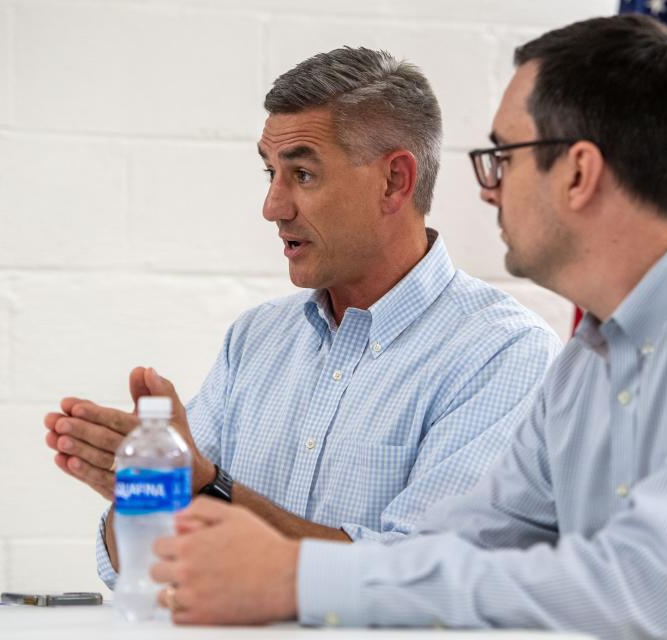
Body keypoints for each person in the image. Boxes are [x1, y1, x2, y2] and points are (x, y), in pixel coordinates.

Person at [148, 14, 667, 638]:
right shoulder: (587, 362)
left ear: (578, 172)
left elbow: (647, 587)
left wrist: (299, 576)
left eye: (503, 157)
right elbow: (459, 549)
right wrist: (267, 556)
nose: (488, 189)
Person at [43, 47, 562, 588]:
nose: (273, 206)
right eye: (271, 173)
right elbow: (137, 570)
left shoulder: (505, 354)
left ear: (394, 181)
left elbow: (420, 580)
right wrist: (143, 495)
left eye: (303, 174)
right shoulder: (255, 339)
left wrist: (206, 490)